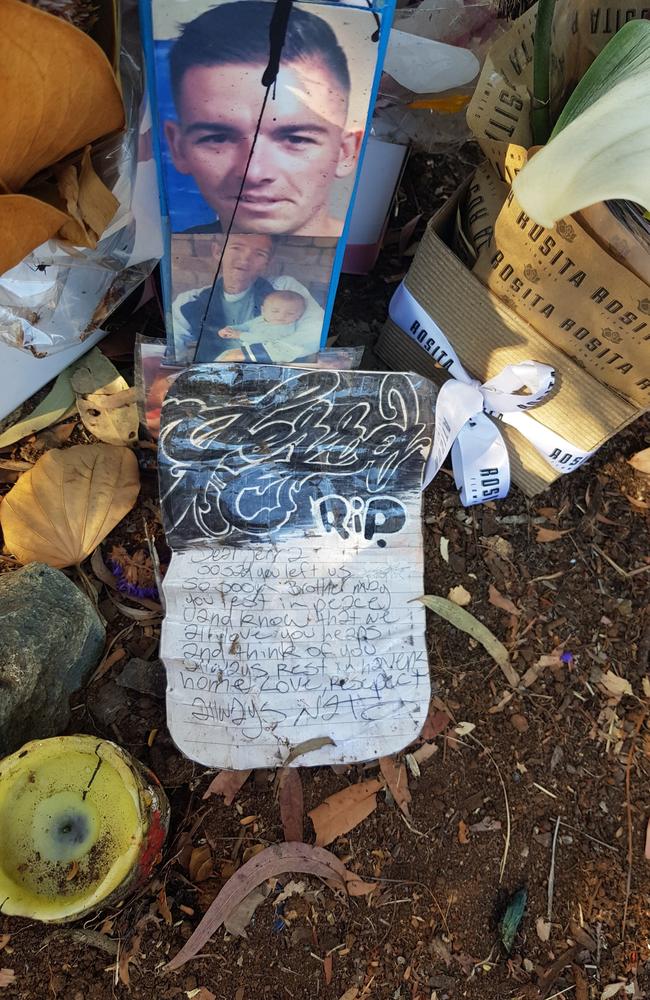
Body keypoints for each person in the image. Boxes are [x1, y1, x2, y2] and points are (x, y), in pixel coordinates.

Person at [164, 0, 363, 237]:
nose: (254, 172)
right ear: (178, 148)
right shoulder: (161, 255)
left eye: (296, 139)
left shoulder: (364, 257)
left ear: (346, 152)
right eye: (218, 138)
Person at [172, 233, 324, 362]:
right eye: (237, 248)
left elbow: (315, 332)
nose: (245, 259)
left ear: (267, 262)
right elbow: (172, 348)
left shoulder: (285, 289)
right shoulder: (191, 300)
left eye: (259, 254)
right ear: (218, 251)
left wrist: (249, 354)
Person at [216, 288, 308, 362]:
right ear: (263, 311)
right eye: (275, 311)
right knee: (224, 356)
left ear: (298, 316)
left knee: (228, 357)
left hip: (262, 357)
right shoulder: (262, 319)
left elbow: (263, 339)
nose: (281, 316)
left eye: (290, 313)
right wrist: (230, 329)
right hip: (246, 349)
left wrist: (240, 335)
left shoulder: (285, 328)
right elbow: (246, 326)